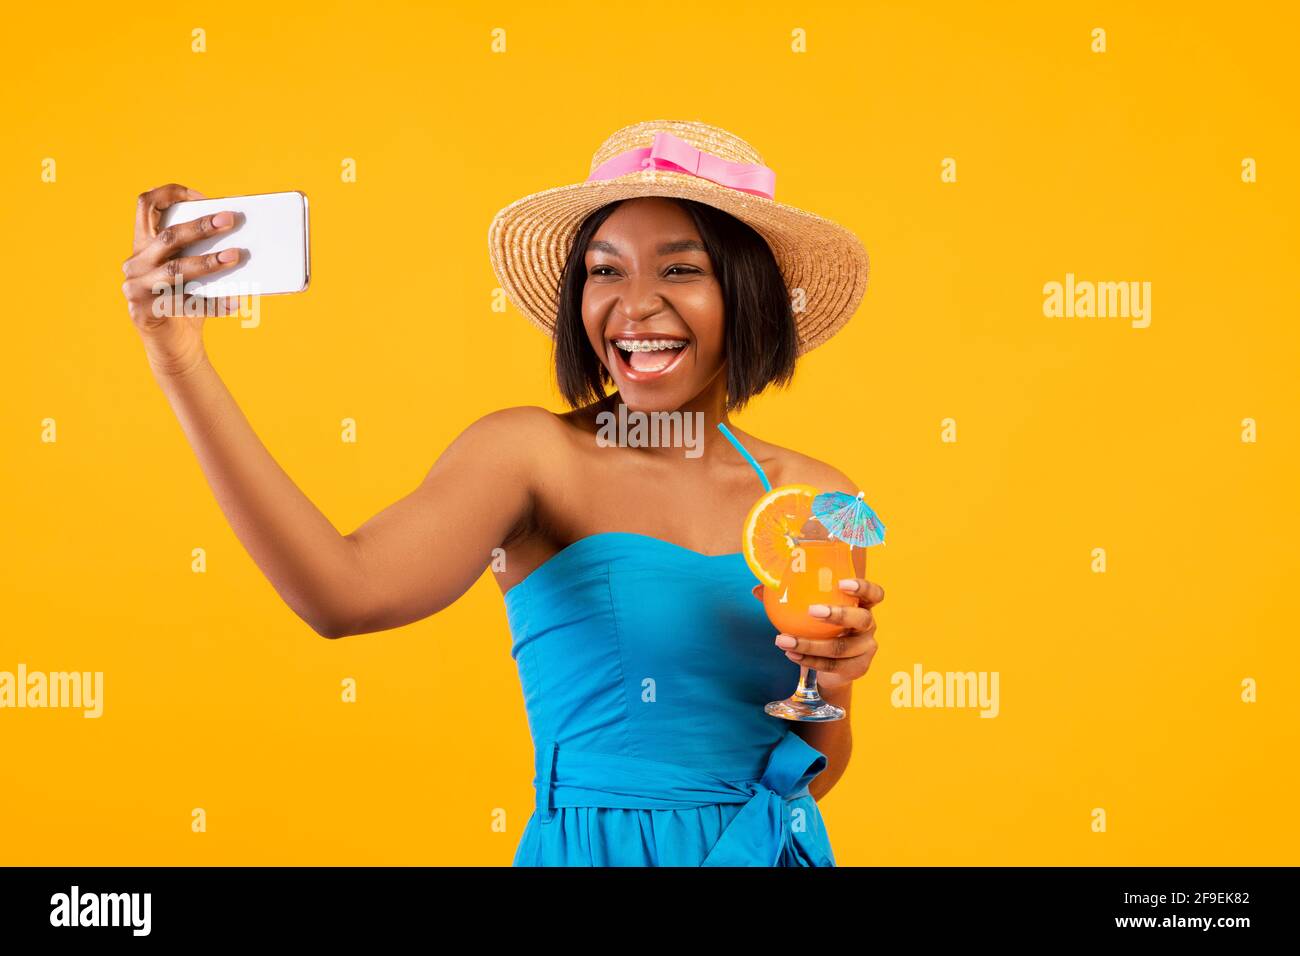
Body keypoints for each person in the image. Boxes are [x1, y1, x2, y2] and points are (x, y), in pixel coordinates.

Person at [118, 119, 886, 866]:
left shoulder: (814, 500)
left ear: (745, 295)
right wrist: (180, 364)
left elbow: (815, 771)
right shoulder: (532, 457)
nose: (635, 303)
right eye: (605, 270)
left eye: (680, 269)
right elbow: (340, 596)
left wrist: (836, 677)